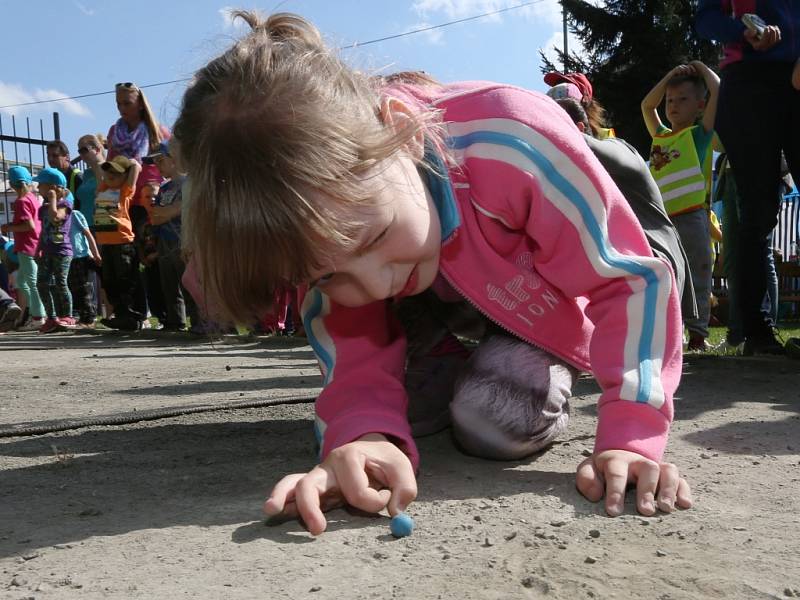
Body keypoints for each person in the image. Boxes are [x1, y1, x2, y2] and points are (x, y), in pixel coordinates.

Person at [176, 11, 691, 535]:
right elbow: (349, 348)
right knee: (398, 427)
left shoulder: (512, 140)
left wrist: (630, 436)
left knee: (496, 419)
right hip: (451, 296)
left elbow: (628, 280)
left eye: (372, 239)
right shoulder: (331, 221)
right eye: (324, 275)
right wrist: (360, 436)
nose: (373, 286)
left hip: (551, 294)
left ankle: (505, 358)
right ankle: (439, 358)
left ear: (402, 133)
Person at [696, 1, 800, 355]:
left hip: (797, 76)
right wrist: (742, 31)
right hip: (747, 86)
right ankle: (757, 332)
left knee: (758, 211)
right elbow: (705, 19)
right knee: (757, 210)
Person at [553, 97, 697, 322]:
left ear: (580, 129)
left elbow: (592, 148)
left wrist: (547, 129)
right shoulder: (572, 180)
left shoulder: (619, 148)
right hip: (631, 267)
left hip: (654, 264)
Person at [641, 61, 720, 351]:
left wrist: (699, 66)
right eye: (671, 101)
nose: (673, 105)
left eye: (683, 99)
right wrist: (668, 77)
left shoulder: (699, 135)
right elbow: (647, 106)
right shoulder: (660, 135)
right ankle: (667, 333)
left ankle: (698, 334)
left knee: (699, 273)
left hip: (692, 219)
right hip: (662, 222)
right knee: (667, 276)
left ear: (700, 106)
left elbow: (716, 88)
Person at [145, 141, 200, 332]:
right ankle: (176, 320)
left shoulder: (187, 184)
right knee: (169, 283)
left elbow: (178, 211)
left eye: (161, 161)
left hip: (181, 238)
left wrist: (168, 212)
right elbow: (156, 216)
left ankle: (198, 321)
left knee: (187, 282)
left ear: (174, 159)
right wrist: (168, 212)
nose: (158, 167)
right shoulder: (164, 188)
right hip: (165, 240)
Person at [94, 155, 144, 331]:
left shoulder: (124, 191)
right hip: (106, 243)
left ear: (125, 176)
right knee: (109, 280)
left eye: (117, 173)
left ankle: (131, 316)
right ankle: (120, 314)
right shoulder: (102, 189)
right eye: (109, 172)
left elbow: (135, 169)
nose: (111, 175)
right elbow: (99, 167)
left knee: (125, 280)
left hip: (122, 242)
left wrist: (134, 165)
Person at [107, 82, 169, 207]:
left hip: (151, 199)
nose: (122, 108)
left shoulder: (158, 132)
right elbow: (110, 164)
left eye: (127, 103)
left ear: (140, 104)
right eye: (118, 104)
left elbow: (171, 167)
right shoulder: (114, 131)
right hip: (122, 198)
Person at [0, 166, 46, 330]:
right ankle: (32, 314)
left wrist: (8, 228)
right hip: (34, 244)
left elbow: (28, 225)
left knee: (31, 283)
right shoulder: (33, 198)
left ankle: (38, 316)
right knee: (22, 281)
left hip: (26, 245)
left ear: (12, 184)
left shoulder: (21, 201)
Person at [33, 168, 74, 333]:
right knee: (41, 283)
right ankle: (51, 317)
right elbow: (43, 230)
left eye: (41, 185)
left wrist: (53, 199)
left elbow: (56, 217)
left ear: (52, 187)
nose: (37, 188)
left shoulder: (65, 204)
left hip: (62, 251)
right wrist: (37, 249)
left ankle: (68, 316)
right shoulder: (44, 207)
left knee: (60, 283)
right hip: (47, 250)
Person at [544, 71, 616, 139]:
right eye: (558, 84)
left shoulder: (604, 137)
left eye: (568, 87)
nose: (558, 89)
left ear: (584, 101)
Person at [67, 207, 102, 328]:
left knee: (84, 288)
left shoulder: (75, 214)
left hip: (81, 255)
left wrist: (95, 254)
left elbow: (88, 233)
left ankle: (90, 318)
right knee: (75, 288)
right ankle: (83, 316)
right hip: (69, 257)